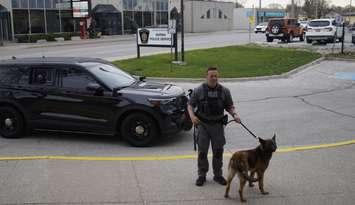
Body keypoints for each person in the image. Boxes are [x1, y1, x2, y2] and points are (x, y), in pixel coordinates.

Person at [188, 67, 241, 187]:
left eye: (216, 76)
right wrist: (192, 117)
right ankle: (202, 175)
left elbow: (229, 106)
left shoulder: (224, 91)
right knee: (202, 152)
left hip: (217, 125)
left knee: (218, 152)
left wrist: (235, 115)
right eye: (211, 76)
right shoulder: (198, 90)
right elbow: (190, 105)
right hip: (203, 125)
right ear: (206, 76)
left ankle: (218, 175)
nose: (214, 78)